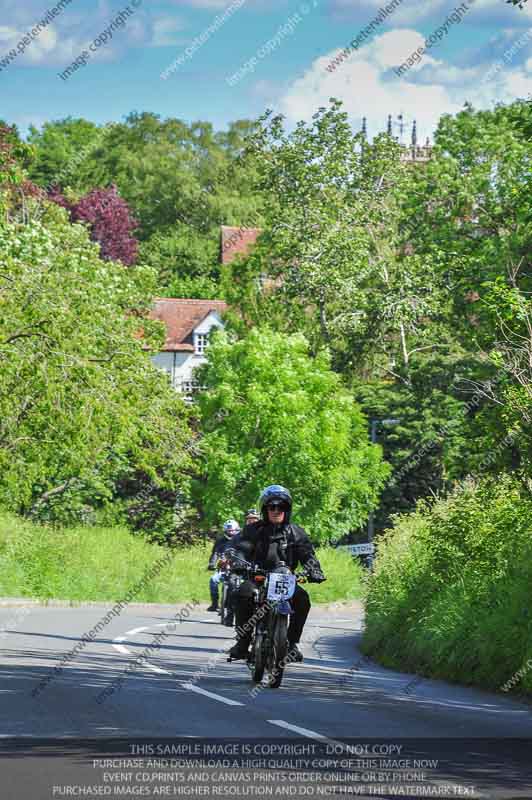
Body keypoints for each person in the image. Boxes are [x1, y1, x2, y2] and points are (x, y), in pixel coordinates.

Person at [227, 485, 326, 663]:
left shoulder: (296, 533)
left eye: (281, 507)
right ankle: (242, 643)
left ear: (287, 509)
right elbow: (241, 549)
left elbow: (308, 555)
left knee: (302, 599)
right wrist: (238, 561)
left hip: (285, 581)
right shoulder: (253, 530)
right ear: (265, 509)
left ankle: (292, 644)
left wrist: (315, 570)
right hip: (258, 578)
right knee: (243, 594)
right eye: (271, 506)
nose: (276, 510)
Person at [207, 519, 240, 612]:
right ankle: (214, 604)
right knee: (213, 580)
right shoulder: (220, 541)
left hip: (238, 569)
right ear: (225, 530)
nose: (231, 532)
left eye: (233, 530)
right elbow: (215, 553)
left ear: (237, 530)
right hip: (223, 568)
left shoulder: (240, 540)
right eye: (229, 530)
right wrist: (212, 564)